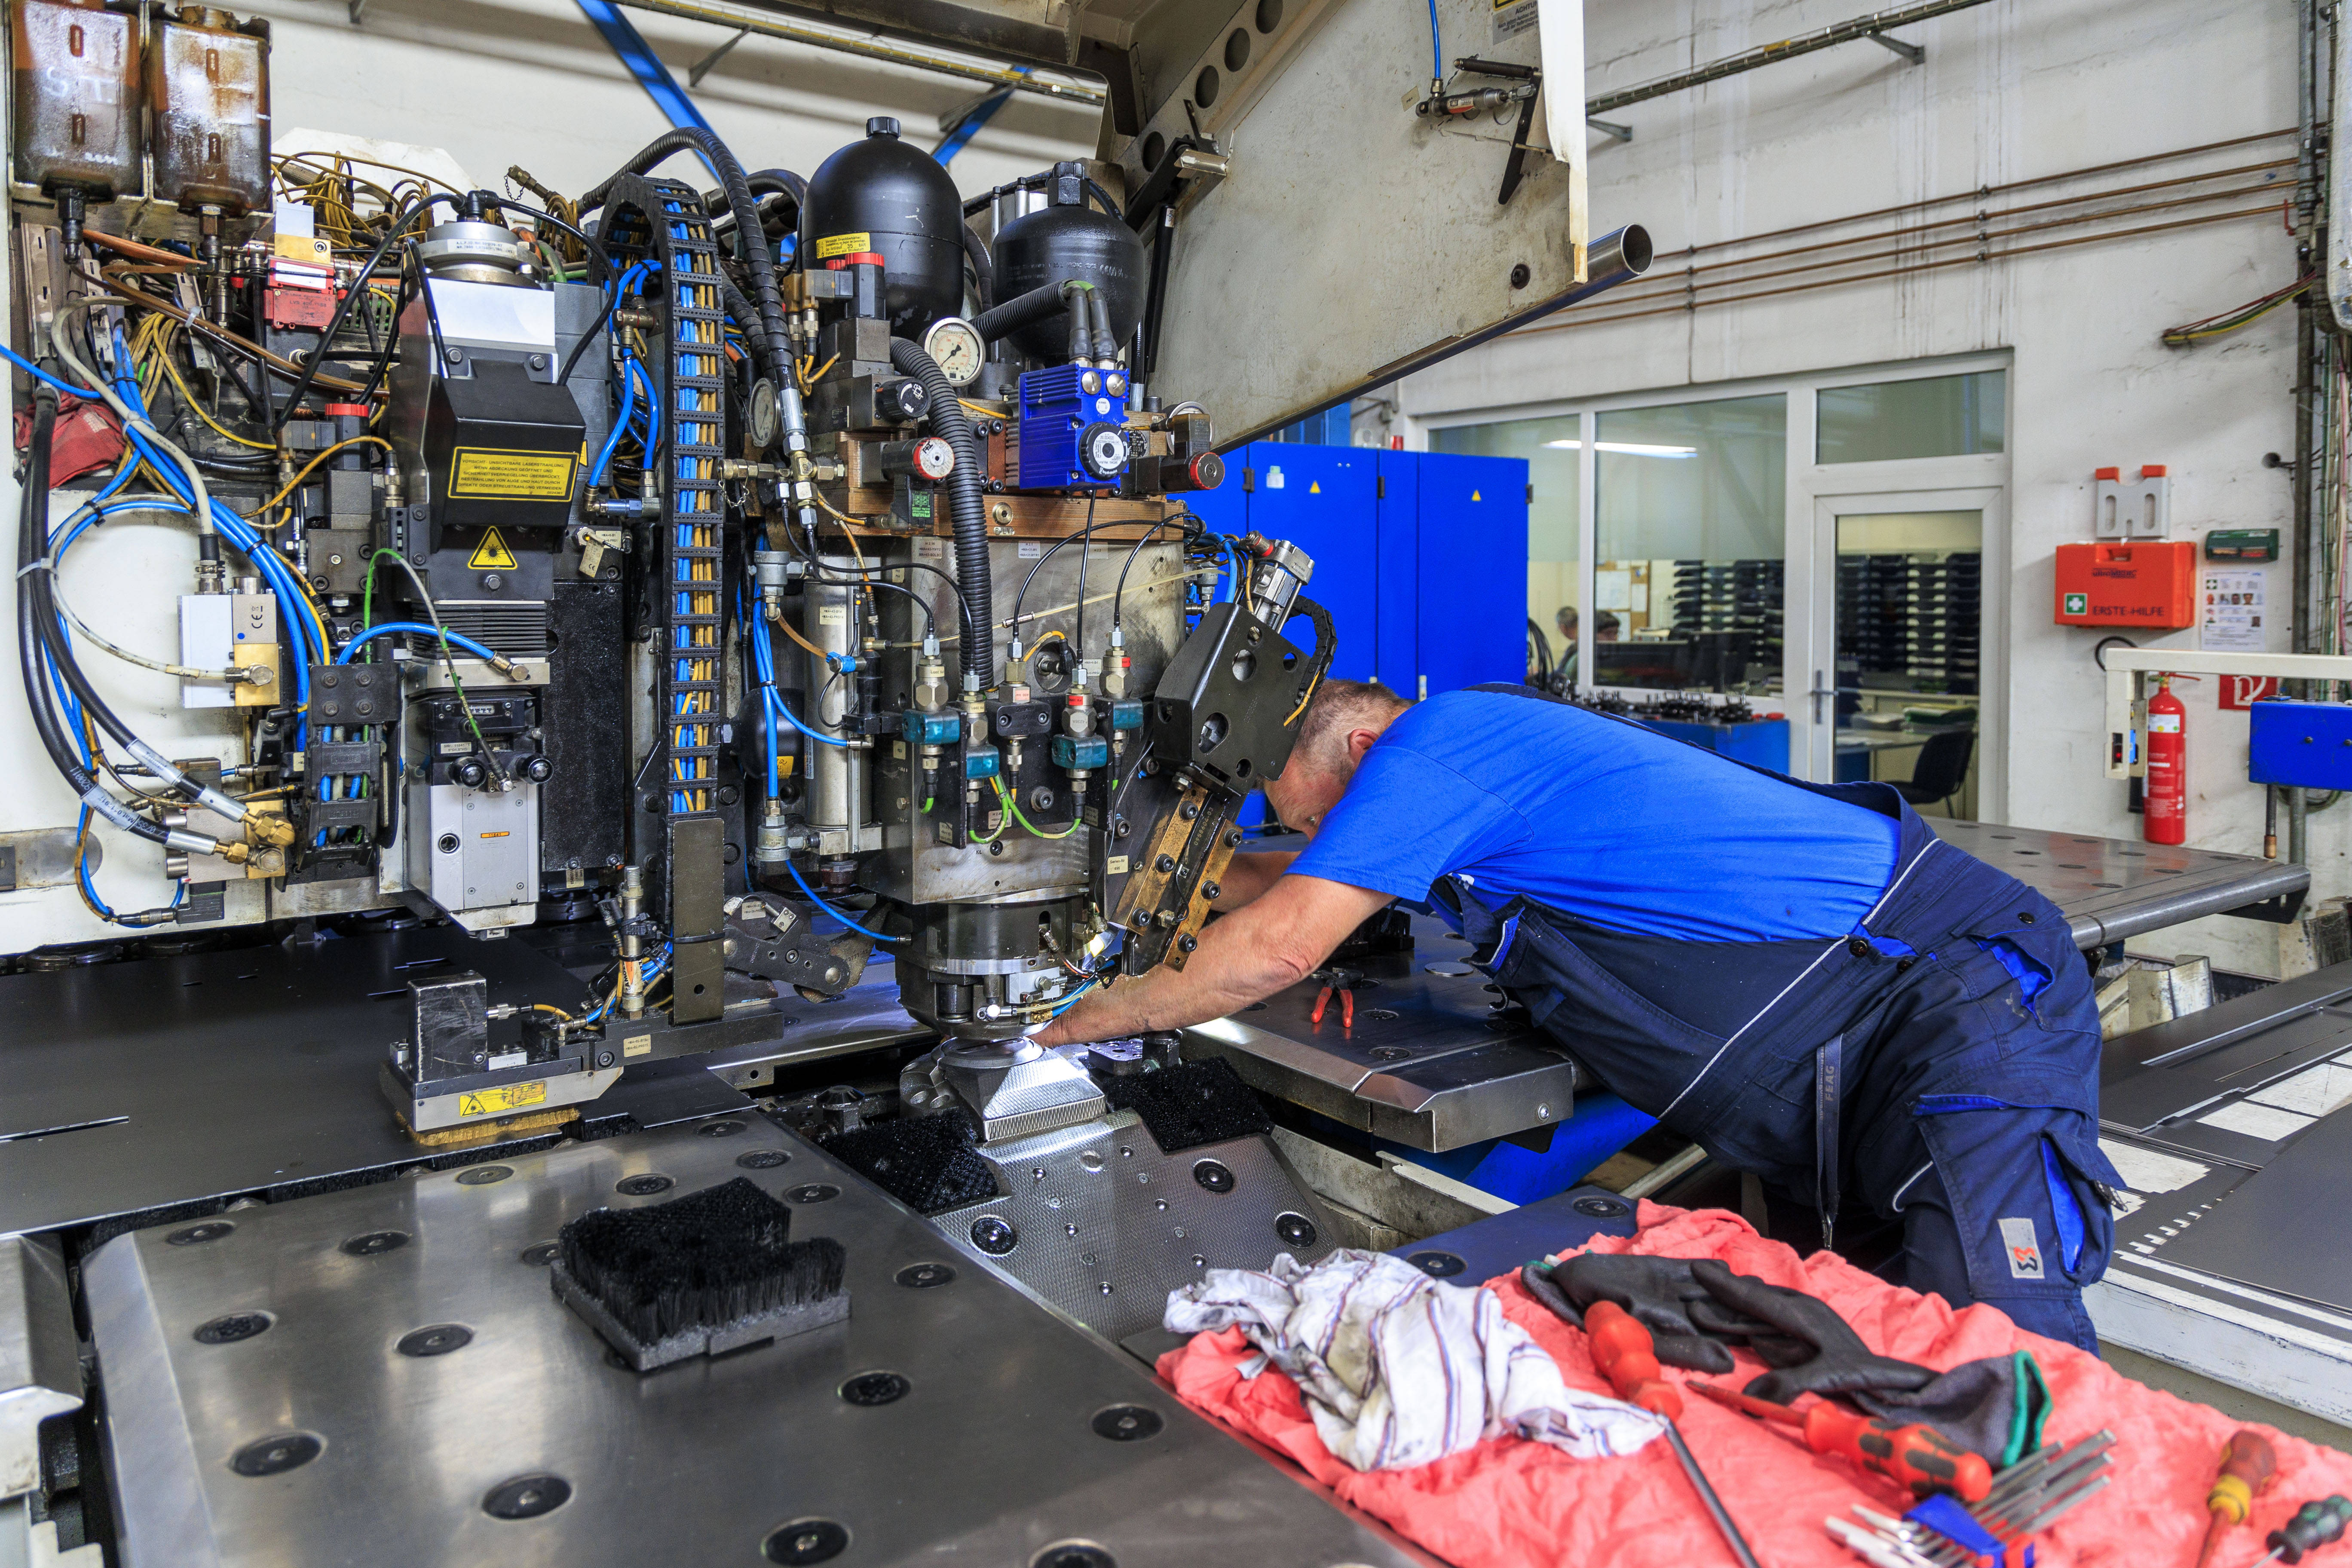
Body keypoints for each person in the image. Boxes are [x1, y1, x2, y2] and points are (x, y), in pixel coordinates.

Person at [1038, 678, 2119, 1351]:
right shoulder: (1455, 775)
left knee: (1994, 1341)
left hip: (1952, 997)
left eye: (1313, 814)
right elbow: (1277, 882)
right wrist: (1150, 880)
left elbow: (1280, 941)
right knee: (1861, 1351)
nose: (1320, 840)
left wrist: (1080, 1018)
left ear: (1362, 754)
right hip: (1836, 1072)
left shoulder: (1436, 744)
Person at [1551, 607, 1619, 688]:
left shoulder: (1616, 656)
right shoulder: (1580, 660)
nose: (1614, 638)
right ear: (1592, 634)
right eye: (1608, 633)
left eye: (1616, 633)